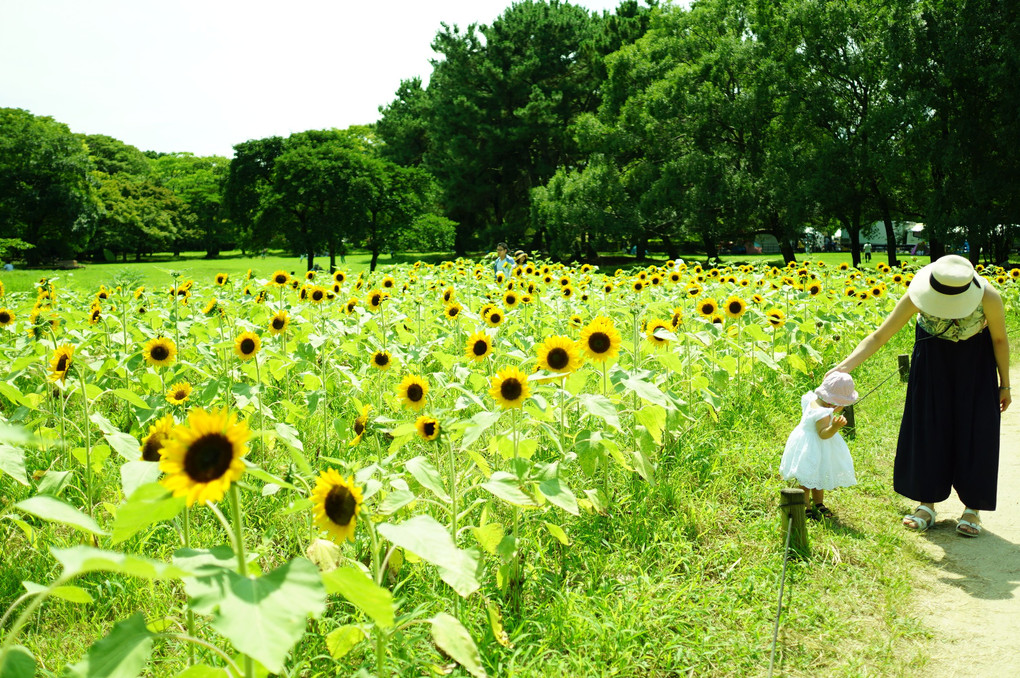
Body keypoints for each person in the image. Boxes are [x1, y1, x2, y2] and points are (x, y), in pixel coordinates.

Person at [830, 255, 1010, 537]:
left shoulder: (989, 296)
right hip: (931, 366)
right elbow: (880, 336)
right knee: (928, 430)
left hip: (975, 368)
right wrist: (841, 368)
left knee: (976, 431)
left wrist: (1005, 385)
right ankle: (926, 503)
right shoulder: (918, 293)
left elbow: (999, 339)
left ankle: (973, 508)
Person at [780, 372, 859, 520]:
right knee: (807, 479)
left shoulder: (812, 399)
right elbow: (823, 434)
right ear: (833, 403)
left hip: (805, 441)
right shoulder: (823, 413)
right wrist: (835, 427)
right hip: (814, 447)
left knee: (818, 475)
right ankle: (806, 506)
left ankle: (818, 503)